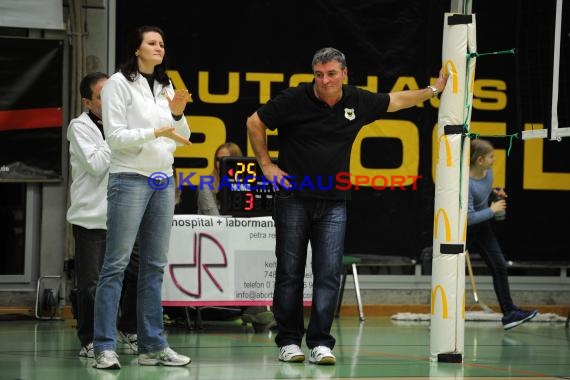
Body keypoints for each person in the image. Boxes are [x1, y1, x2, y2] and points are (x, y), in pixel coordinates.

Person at [246, 47, 448, 365]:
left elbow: (396, 101)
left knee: (328, 273)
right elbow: (255, 122)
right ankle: (287, 341)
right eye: (319, 74)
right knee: (289, 273)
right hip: (293, 199)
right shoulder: (294, 99)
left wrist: (434, 90)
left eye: (331, 73)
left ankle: (321, 343)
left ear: (344, 74)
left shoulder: (357, 100)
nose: (324, 80)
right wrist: (267, 165)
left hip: (335, 203)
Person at [93, 25, 192, 369]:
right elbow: (115, 137)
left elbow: (184, 134)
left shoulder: (166, 86)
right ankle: (104, 345)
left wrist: (177, 115)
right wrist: (156, 130)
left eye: (162, 43)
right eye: (152, 42)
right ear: (136, 49)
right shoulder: (118, 85)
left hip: (163, 180)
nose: (159, 47)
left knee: (154, 266)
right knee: (116, 265)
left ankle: (153, 344)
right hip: (130, 179)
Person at [66, 72, 139, 359]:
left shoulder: (125, 124)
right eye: (102, 96)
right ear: (88, 101)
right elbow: (96, 164)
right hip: (92, 217)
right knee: (91, 283)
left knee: (137, 272)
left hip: (125, 215)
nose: (110, 100)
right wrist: (118, 138)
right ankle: (91, 339)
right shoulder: (79, 126)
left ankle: (128, 328)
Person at [196, 142, 276, 332]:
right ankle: (255, 310)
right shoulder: (206, 183)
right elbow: (216, 222)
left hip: (239, 242)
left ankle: (258, 309)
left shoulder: (249, 184)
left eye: (225, 160)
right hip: (212, 244)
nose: (219, 164)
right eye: (217, 159)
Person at [467, 138, 537, 330]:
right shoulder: (466, 183)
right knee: (450, 271)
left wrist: (494, 194)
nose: (494, 160)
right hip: (464, 231)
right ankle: (440, 316)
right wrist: (493, 210)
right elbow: (468, 217)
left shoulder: (488, 173)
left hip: (482, 228)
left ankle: (509, 314)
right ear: (480, 160)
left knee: (499, 266)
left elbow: (484, 195)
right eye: (491, 157)